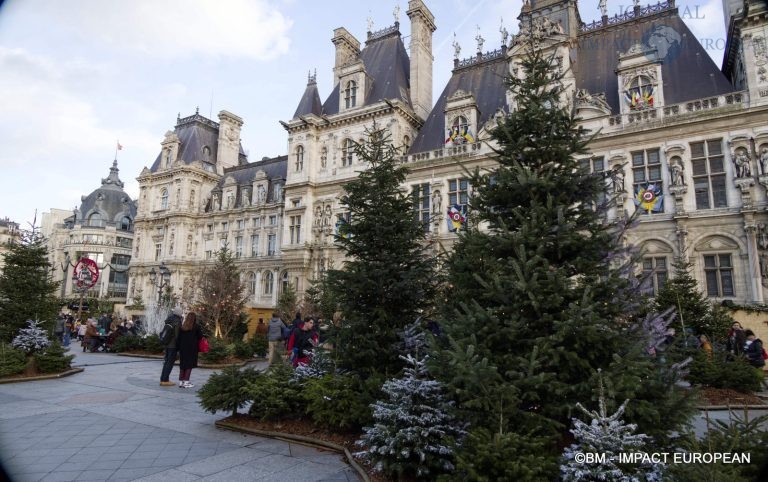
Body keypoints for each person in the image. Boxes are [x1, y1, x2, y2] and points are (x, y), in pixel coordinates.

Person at [177, 312, 203, 388]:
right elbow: (200, 337)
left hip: (182, 348)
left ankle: (181, 382)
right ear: (194, 318)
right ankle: (186, 382)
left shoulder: (182, 326)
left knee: (183, 364)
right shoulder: (196, 327)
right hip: (192, 348)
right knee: (189, 365)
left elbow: (179, 338)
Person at [160, 307, 183, 386]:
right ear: (179, 313)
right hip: (173, 345)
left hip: (167, 344)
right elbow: (177, 335)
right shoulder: (177, 321)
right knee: (169, 363)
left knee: (166, 362)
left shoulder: (169, 319)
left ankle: (163, 379)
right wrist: (179, 345)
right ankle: (165, 380)